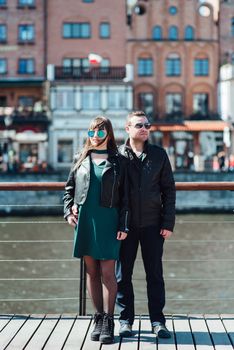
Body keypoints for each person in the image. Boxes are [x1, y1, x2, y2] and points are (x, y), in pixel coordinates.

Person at [63, 116, 129, 344]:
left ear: (108, 134)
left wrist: (123, 224)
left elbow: (126, 198)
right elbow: (68, 191)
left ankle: (109, 320)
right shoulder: (79, 158)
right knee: (92, 272)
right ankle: (98, 318)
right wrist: (68, 212)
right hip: (85, 221)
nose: (95, 136)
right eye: (91, 132)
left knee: (108, 273)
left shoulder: (119, 161)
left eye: (100, 132)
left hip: (109, 220)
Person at [116, 111, 176, 338]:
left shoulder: (159, 155)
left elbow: (169, 190)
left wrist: (168, 222)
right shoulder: (118, 155)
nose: (144, 128)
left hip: (154, 224)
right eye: (139, 125)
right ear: (127, 129)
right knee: (123, 276)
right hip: (125, 226)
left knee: (155, 275)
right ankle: (125, 320)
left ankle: (158, 321)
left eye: (147, 125)